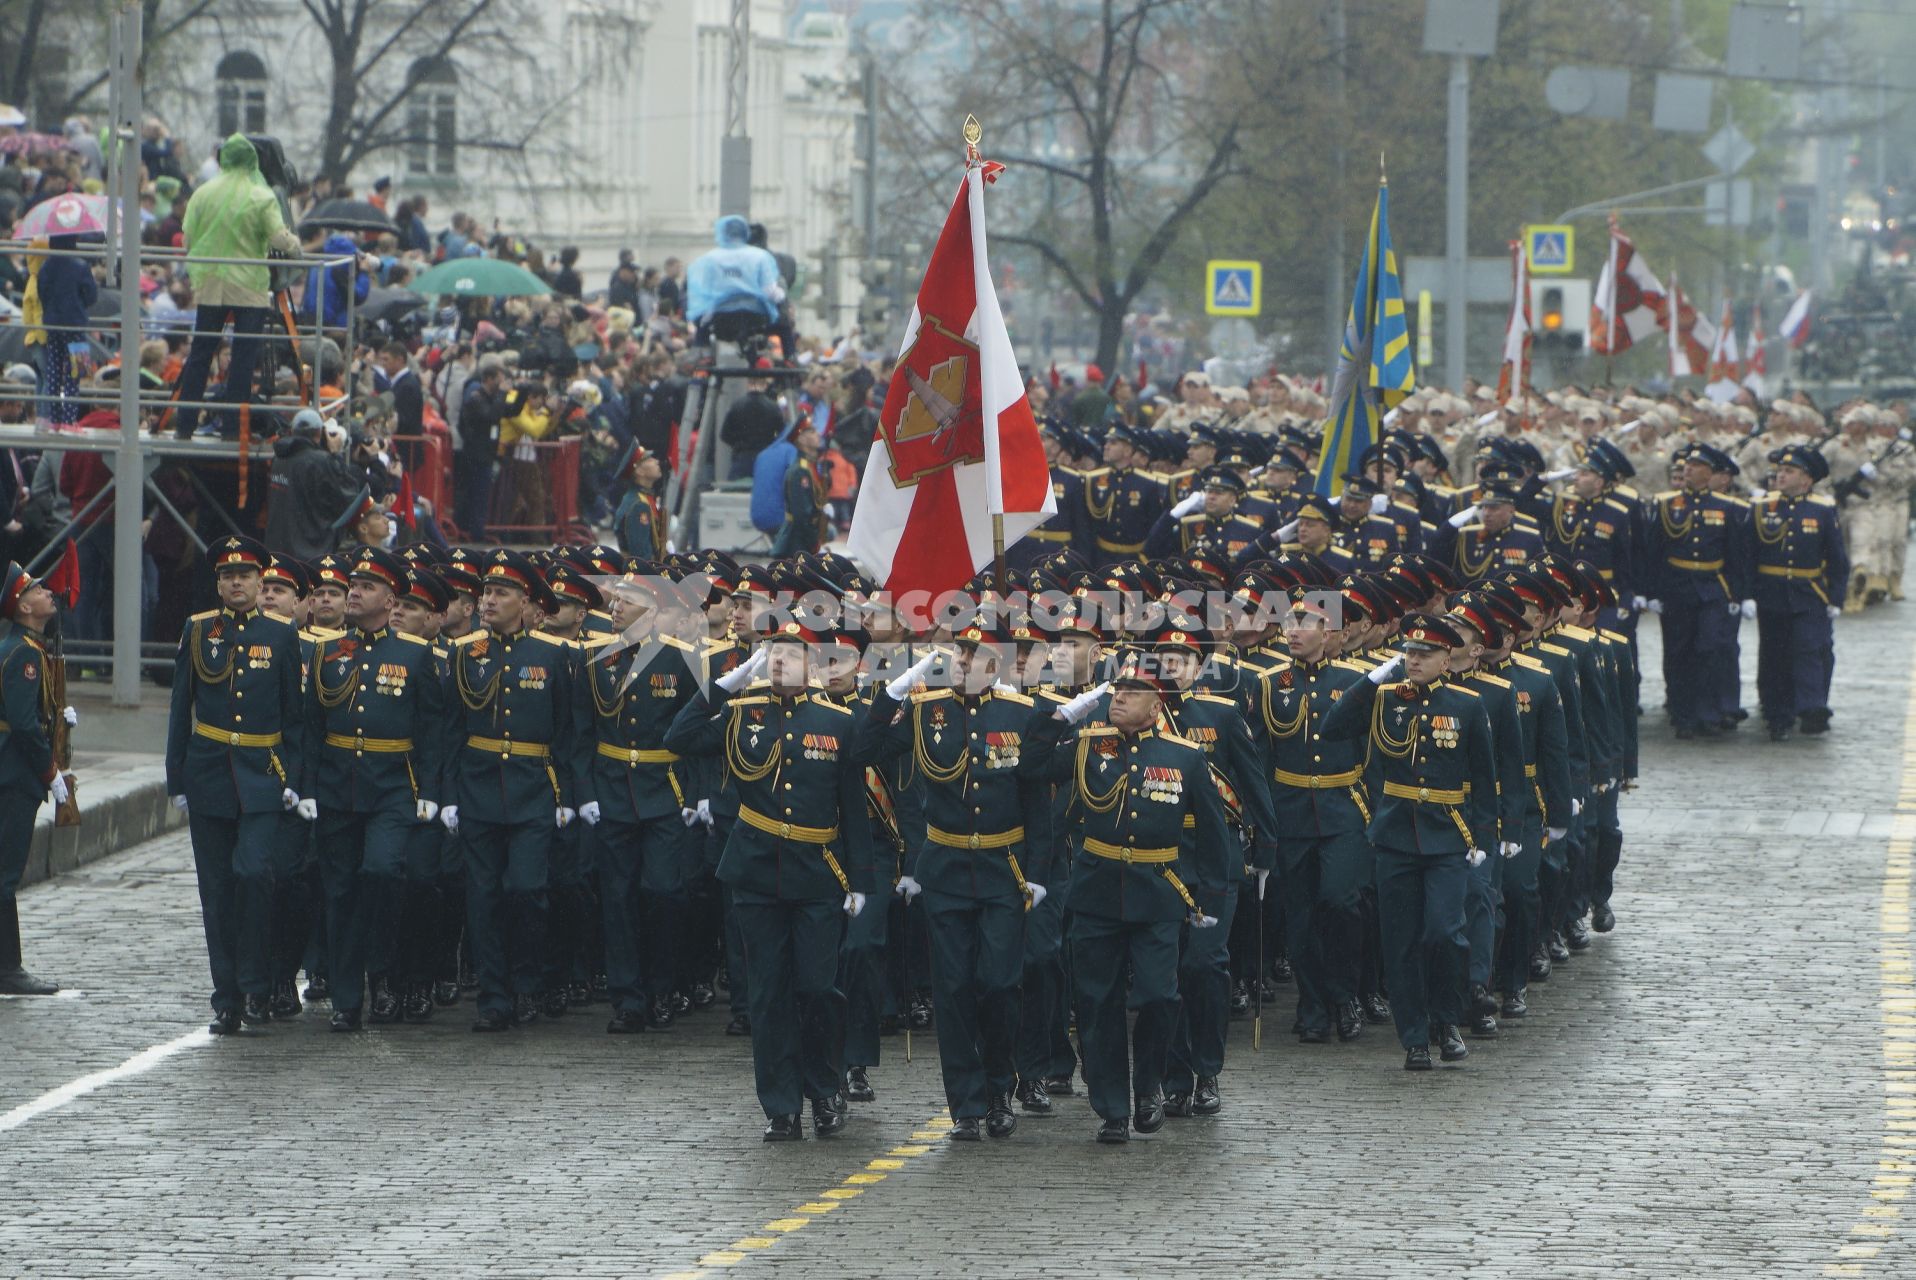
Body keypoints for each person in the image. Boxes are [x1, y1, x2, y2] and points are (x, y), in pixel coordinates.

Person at [665, 620, 874, 1141]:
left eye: (791, 654)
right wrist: (727, 684)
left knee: (816, 986)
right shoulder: (741, 713)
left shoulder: (838, 722)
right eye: (772, 653)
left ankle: (824, 1087)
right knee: (768, 992)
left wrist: (861, 881)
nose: (779, 662)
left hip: (818, 871)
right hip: (756, 870)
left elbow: (853, 808)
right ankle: (781, 1105)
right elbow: (679, 736)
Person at [1022, 648, 1231, 1144]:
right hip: (1096, 894)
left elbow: (1214, 834)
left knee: (1160, 996)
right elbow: (1032, 769)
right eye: (1117, 691)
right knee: (1097, 1003)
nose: (1119, 698)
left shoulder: (1185, 757)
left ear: (1156, 706)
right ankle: (1113, 1107)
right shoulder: (1086, 745)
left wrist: (1211, 902)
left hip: (1159, 894)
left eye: (1133, 693)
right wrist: (1058, 720)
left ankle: (1152, 1085)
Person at [856, 616, 1048, 1141]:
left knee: (1000, 984)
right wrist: (889, 696)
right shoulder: (925, 710)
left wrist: (1037, 873)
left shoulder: (1022, 714)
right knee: (955, 987)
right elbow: (866, 752)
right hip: (944, 869)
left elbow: (1036, 801)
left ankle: (999, 1087)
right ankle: (965, 1103)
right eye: (960, 654)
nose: (964, 663)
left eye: (978, 656)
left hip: (1003, 869)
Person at [1318, 612, 1498, 1070]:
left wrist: (1484, 839)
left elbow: (1484, 775)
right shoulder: (1382, 698)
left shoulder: (1467, 705)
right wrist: (1373, 678)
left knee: (1444, 932)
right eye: (1410, 653)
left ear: (1447, 659)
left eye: (1426, 654)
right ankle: (1414, 1036)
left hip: (1447, 836)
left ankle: (1448, 1019)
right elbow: (1334, 726)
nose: (1415, 661)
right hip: (1396, 835)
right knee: (1400, 942)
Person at [163, 537, 307, 1031]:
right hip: (208, 774)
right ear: (218, 584)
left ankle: (256, 985)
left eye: (245, 576)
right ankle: (227, 996)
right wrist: (175, 775)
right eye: (227, 576)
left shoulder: (284, 635)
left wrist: (295, 778)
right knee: (217, 890)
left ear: (260, 583)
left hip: (264, 775)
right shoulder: (199, 630)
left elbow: (297, 717)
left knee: (253, 875)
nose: (236, 583)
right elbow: (181, 707)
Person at [302, 547, 445, 1031]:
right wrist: (306, 787)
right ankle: (347, 998)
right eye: (352, 587)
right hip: (339, 784)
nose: (355, 594)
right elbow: (311, 727)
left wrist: (430, 789)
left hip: (393, 785)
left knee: (383, 873)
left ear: (389, 599)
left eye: (365, 588)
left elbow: (432, 728)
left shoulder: (416, 654)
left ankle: (382, 972)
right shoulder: (328, 651)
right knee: (339, 892)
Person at [444, 551, 576, 1030]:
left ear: (526, 602)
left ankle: (527, 983)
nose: (488, 601)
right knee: (482, 897)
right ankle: (495, 997)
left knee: (526, 889)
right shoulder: (465, 652)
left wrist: (570, 797)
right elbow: (450, 730)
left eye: (501, 593)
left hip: (533, 788)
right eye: (486, 592)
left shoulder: (553, 654)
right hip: (478, 787)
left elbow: (568, 731)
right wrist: (446, 794)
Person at [574, 571, 697, 1034]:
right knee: (618, 897)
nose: (617, 607)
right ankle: (628, 998)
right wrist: (584, 794)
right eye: (617, 600)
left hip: (665, 789)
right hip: (611, 789)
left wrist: (694, 793)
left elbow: (696, 734)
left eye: (628, 600)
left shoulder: (683, 660)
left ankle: (663, 987)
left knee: (663, 891)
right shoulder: (595, 659)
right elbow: (581, 733)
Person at [173, 134, 301, 439]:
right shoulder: (261, 195)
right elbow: (279, 239)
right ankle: (233, 430)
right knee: (243, 358)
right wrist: (297, 246)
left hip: (210, 284)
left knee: (200, 355)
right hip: (249, 287)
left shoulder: (203, 193)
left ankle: (184, 425)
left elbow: (187, 239)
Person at [0, 563, 71, 996]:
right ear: (25, 606)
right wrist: (50, 772)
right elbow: (24, 725)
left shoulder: (20, 645)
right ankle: (9, 967)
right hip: (15, 775)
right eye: (40, 590)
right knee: (6, 875)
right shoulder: (25, 652)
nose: (49, 594)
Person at [1754, 444, 1849, 741]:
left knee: (1809, 650)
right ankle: (1777, 713)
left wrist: (1835, 598)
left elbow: (1837, 559)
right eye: (1780, 471)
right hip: (1772, 593)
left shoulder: (1821, 509)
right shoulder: (1762, 507)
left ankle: (1812, 709)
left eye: (1789, 471)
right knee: (1774, 655)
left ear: (1806, 480)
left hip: (1809, 594)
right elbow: (1748, 552)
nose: (1781, 476)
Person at [264, 409, 369, 560]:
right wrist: (334, 454)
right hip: (310, 554)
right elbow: (350, 498)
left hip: (277, 551)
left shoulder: (279, 459)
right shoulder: (322, 461)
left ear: (292, 431)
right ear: (320, 433)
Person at [686, 215, 782, 343]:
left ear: (721, 232)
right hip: (754, 316)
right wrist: (781, 297)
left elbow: (703, 290)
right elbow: (769, 290)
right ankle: (789, 356)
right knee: (783, 326)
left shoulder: (709, 259)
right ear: (745, 233)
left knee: (701, 325)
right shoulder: (760, 256)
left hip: (719, 317)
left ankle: (702, 351)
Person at [454, 356, 506, 539]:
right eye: (499, 379)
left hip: (486, 453)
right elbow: (489, 416)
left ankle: (475, 529)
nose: (502, 383)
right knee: (477, 493)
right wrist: (502, 396)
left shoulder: (491, 398)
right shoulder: (476, 397)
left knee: (481, 494)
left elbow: (508, 410)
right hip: (476, 454)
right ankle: (475, 531)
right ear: (489, 379)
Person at [770, 417, 826, 557]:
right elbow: (801, 515)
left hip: (803, 539)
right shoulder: (800, 471)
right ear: (801, 439)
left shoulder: (809, 467)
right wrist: (813, 542)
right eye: (812, 432)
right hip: (797, 543)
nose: (818, 434)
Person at [721, 376, 785, 481]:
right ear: (765, 385)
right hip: (766, 457)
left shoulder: (736, 405)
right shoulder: (773, 407)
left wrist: (738, 444)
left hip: (741, 457)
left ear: (748, 383)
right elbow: (781, 434)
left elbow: (724, 435)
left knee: (735, 491)